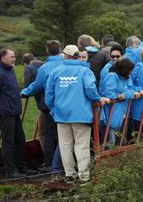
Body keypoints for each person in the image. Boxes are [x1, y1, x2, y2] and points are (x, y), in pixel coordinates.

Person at [45, 45, 110, 185]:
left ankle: (70, 174)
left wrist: (53, 110)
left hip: (61, 115)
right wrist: (98, 99)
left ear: (65, 55)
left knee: (65, 145)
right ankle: (84, 176)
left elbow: (49, 95)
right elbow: (91, 90)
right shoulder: (85, 71)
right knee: (81, 146)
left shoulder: (55, 71)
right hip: (81, 114)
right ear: (76, 55)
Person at [0, 48, 36, 179]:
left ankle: (21, 168)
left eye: (14, 56)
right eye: (12, 57)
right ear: (3, 59)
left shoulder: (10, 70)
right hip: (4, 112)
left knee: (20, 139)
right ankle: (10, 172)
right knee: (9, 142)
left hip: (14, 111)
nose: (14, 59)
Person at [21, 40, 64, 173]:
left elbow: (37, 86)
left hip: (50, 107)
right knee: (66, 135)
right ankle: (67, 162)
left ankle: (51, 163)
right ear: (61, 49)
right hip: (67, 106)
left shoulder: (45, 68)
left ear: (47, 51)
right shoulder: (65, 63)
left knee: (49, 134)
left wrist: (24, 92)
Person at [99, 59, 143, 144]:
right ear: (125, 69)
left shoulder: (124, 77)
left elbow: (128, 90)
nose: (131, 72)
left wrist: (127, 94)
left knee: (118, 140)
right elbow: (109, 94)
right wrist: (121, 95)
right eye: (130, 70)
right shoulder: (112, 76)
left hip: (119, 111)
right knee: (110, 141)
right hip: (110, 113)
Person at [22, 53, 46, 152]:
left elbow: (28, 87)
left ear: (24, 63)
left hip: (43, 104)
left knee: (42, 133)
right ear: (34, 58)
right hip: (54, 103)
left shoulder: (28, 69)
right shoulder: (44, 64)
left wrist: (24, 93)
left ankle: (51, 161)